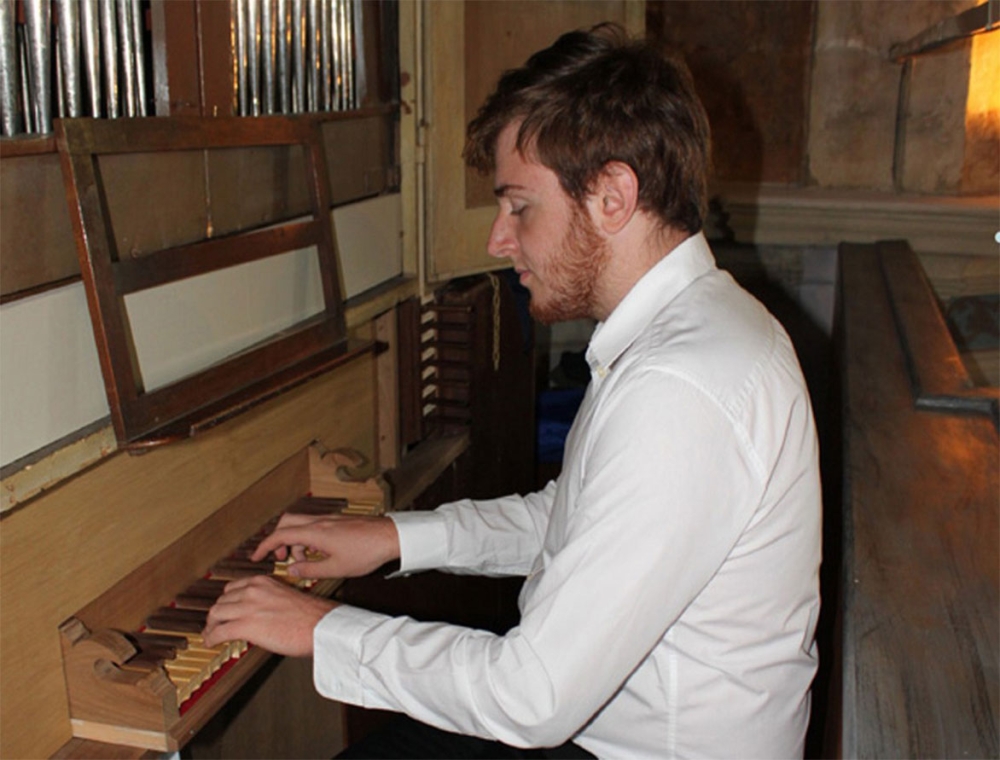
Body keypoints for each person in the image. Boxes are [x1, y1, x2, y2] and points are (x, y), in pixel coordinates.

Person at [203, 23, 821, 759]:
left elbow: (531, 700)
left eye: (519, 206)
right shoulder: (692, 329)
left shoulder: (679, 388)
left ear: (613, 196)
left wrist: (318, 630)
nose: (499, 239)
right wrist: (396, 537)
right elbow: (573, 518)